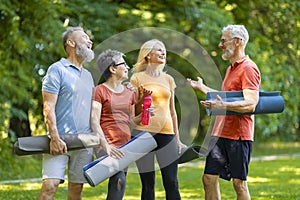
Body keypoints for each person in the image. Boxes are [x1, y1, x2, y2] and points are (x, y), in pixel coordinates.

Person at [187, 25, 261, 200]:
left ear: (237, 42)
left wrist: (223, 107)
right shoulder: (231, 68)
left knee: (239, 183)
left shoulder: (248, 68)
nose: (220, 45)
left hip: (238, 136)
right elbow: (226, 98)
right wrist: (202, 87)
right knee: (209, 178)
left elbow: (251, 104)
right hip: (221, 133)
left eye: (223, 40)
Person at [38, 26, 95, 200]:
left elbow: (93, 111)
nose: (89, 41)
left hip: (83, 142)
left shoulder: (88, 76)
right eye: (84, 37)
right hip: (59, 140)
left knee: (76, 190)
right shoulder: (57, 69)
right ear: (71, 42)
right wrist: (54, 138)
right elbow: (48, 105)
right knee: (50, 186)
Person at [130, 39, 185, 200]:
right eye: (159, 50)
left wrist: (178, 139)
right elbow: (133, 110)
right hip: (142, 135)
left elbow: (172, 111)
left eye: (164, 50)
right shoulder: (136, 79)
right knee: (148, 184)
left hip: (167, 135)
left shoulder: (168, 79)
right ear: (148, 55)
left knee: (171, 182)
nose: (163, 53)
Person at [91, 49, 147, 199]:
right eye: (124, 64)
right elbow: (94, 120)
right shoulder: (99, 91)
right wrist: (105, 146)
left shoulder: (129, 93)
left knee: (118, 184)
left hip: (125, 146)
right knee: (119, 180)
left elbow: (131, 123)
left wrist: (144, 114)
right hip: (107, 144)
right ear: (112, 68)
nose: (128, 67)